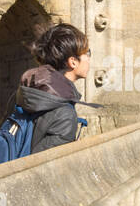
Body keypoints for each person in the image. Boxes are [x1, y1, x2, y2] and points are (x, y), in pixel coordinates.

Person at [15, 23, 93, 152]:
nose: (89, 59)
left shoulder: (30, 93)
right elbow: (45, 168)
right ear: (73, 62)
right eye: (87, 53)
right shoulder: (64, 114)